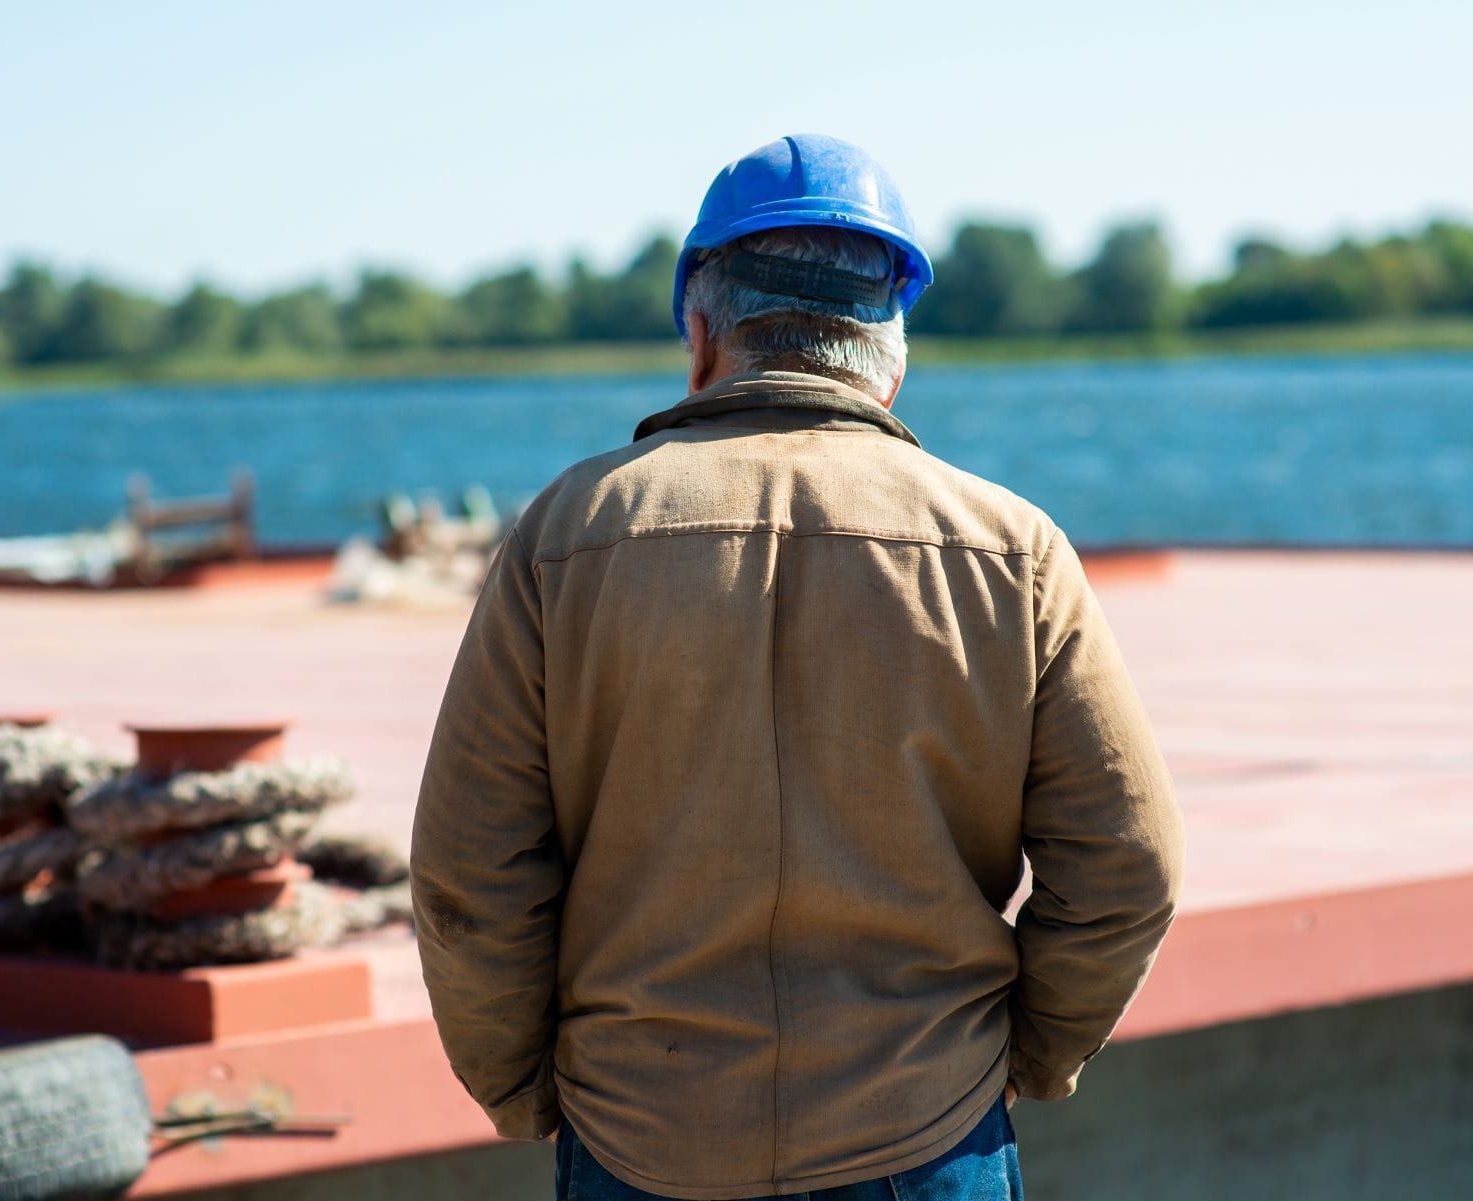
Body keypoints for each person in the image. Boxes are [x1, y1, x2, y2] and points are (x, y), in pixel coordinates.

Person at [411, 133, 1185, 1200]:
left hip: (639, 1137)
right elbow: (1128, 865)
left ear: (699, 331)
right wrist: (1027, 1056)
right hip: (924, 1136)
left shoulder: (565, 533)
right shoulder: (1013, 549)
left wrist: (525, 1089)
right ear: (890, 349)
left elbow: (469, 881)